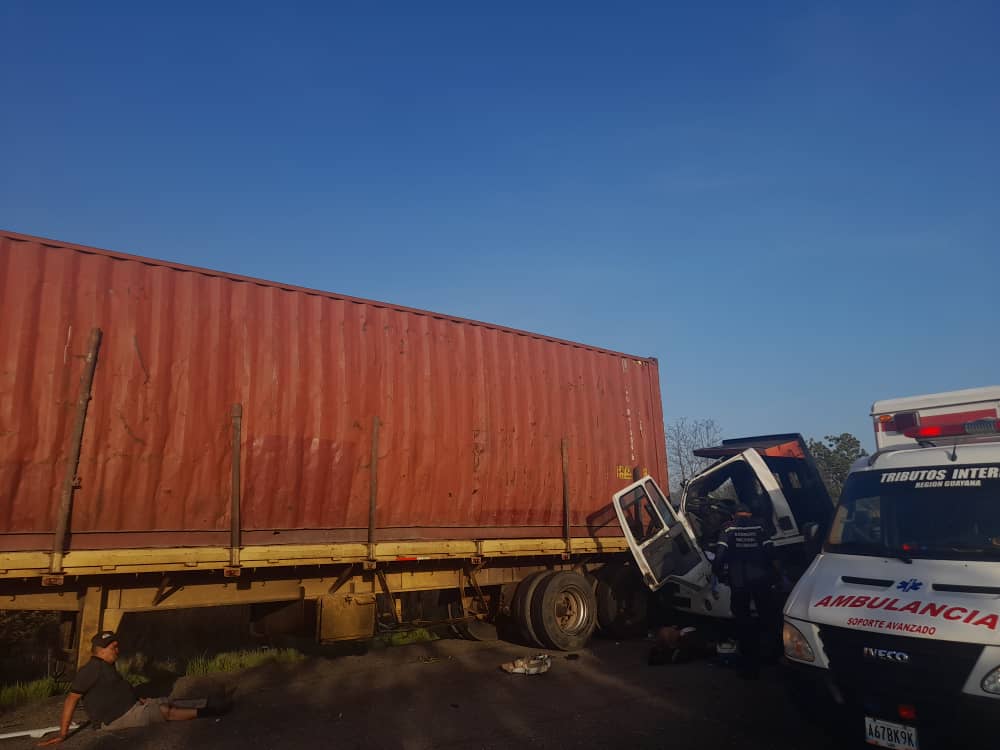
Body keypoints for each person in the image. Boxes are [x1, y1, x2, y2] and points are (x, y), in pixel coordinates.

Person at [38, 630, 231, 745]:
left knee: (168, 701)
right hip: (113, 720)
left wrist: (136, 699)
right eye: (113, 647)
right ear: (101, 650)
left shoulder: (107, 666)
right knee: (164, 711)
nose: (117, 651)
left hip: (131, 707)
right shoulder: (89, 670)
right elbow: (71, 700)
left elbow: (117, 689)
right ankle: (211, 711)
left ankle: (210, 701)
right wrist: (63, 734)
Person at [712, 504, 782, 679]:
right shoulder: (760, 526)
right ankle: (777, 658)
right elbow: (771, 553)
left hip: (739, 582)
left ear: (734, 514)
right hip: (761, 579)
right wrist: (777, 575)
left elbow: (720, 554)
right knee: (768, 618)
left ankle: (750, 667)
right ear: (749, 513)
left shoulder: (728, 528)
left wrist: (717, 572)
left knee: (743, 622)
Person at [647, 625, 716, 666]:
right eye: (670, 632)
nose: (672, 629)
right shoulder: (683, 646)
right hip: (705, 641)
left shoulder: (683, 634)